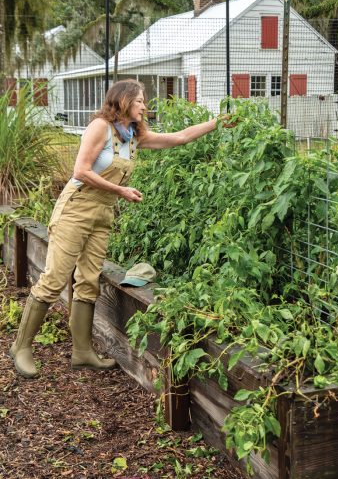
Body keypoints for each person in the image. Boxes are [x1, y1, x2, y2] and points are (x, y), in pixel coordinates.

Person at [10, 79, 227, 379]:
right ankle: (21, 347)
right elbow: (81, 171)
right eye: (139, 100)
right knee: (55, 277)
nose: (144, 106)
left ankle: (82, 351)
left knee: (88, 281)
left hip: (102, 213)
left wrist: (217, 122)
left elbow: (180, 137)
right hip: (76, 208)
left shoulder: (134, 136)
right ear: (123, 100)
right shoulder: (101, 127)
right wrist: (121, 191)